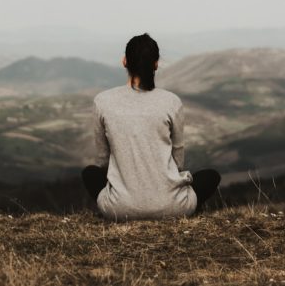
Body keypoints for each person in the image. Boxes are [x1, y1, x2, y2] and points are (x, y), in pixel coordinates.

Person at [81, 32, 221, 221]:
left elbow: (103, 160)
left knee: (90, 173)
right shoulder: (171, 101)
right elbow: (178, 160)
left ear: (124, 61)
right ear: (156, 64)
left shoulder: (102, 101)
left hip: (119, 209)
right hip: (173, 208)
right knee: (210, 176)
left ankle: (125, 203)